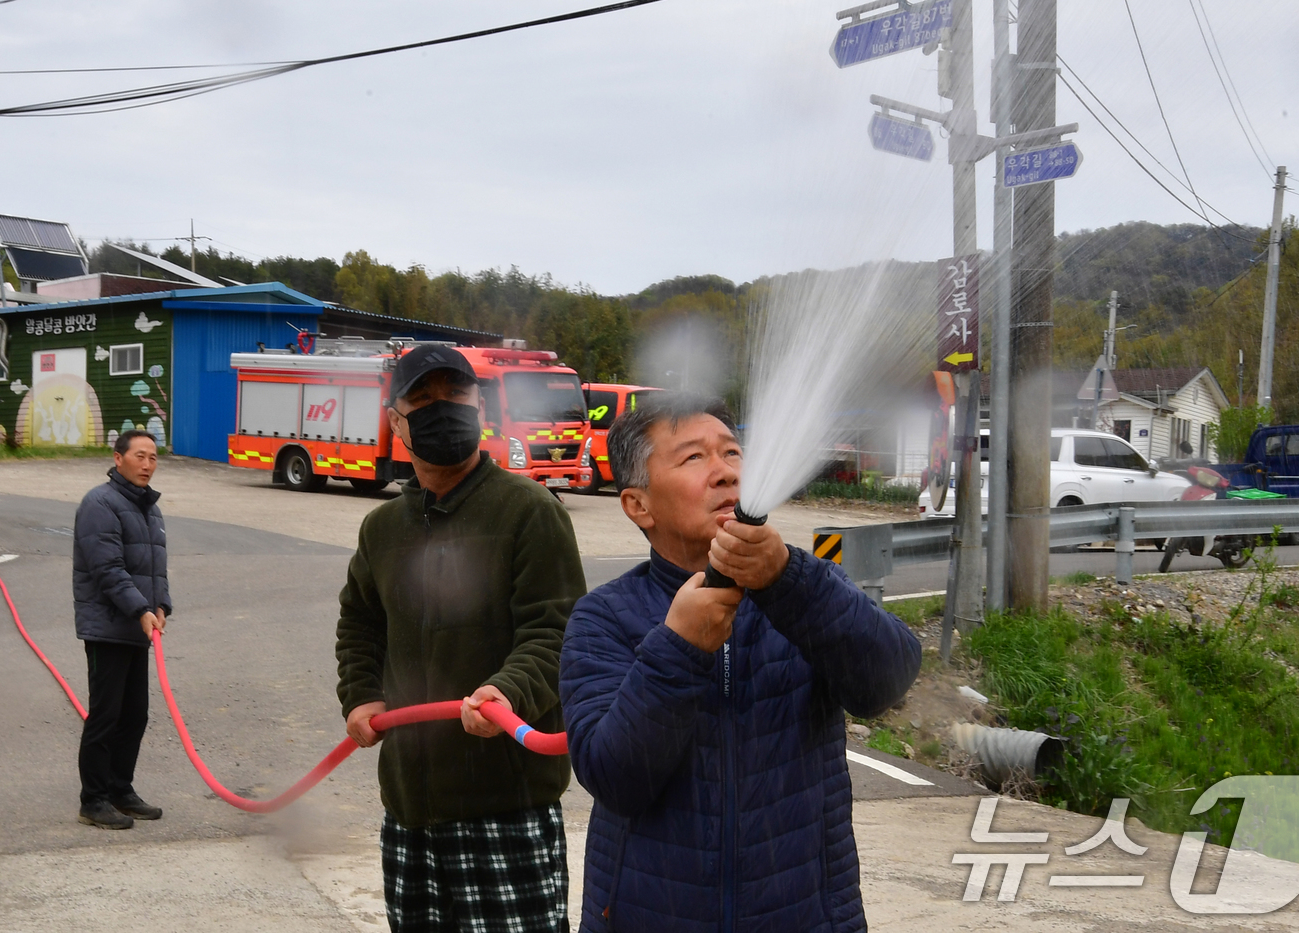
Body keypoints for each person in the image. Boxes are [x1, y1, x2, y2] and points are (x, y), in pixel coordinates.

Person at [560, 393, 922, 933]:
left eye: (732, 453)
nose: (726, 473)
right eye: (693, 458)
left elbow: (887, 681)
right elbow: (616, 778)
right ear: (638, 505)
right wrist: (678, 648)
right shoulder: (603, 617)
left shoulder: (803, 590)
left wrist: (790, 579)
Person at [336, 344, 585, 933]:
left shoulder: (529, 511)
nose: (440, 408)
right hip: (410, 809)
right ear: (395, 420)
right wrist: (360, 693)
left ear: (480, 405)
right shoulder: (383, 527)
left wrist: (508, 693)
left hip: (505, 804)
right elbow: (360, 623)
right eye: (421, 399)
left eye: (455, 395)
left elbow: (557, 632)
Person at [72, 429, 171, 830]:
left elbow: (155, 569)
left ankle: (120, 789)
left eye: (153, 457)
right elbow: (108, 570)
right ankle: (93, 800)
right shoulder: (100, 504)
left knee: (135, 715)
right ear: (118, 459)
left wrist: (161, 606)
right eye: (139, 456)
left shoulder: (150, 508)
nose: (147, 464)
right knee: (105, 715)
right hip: (108, 626)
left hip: (138, 624)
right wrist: (140, 609)